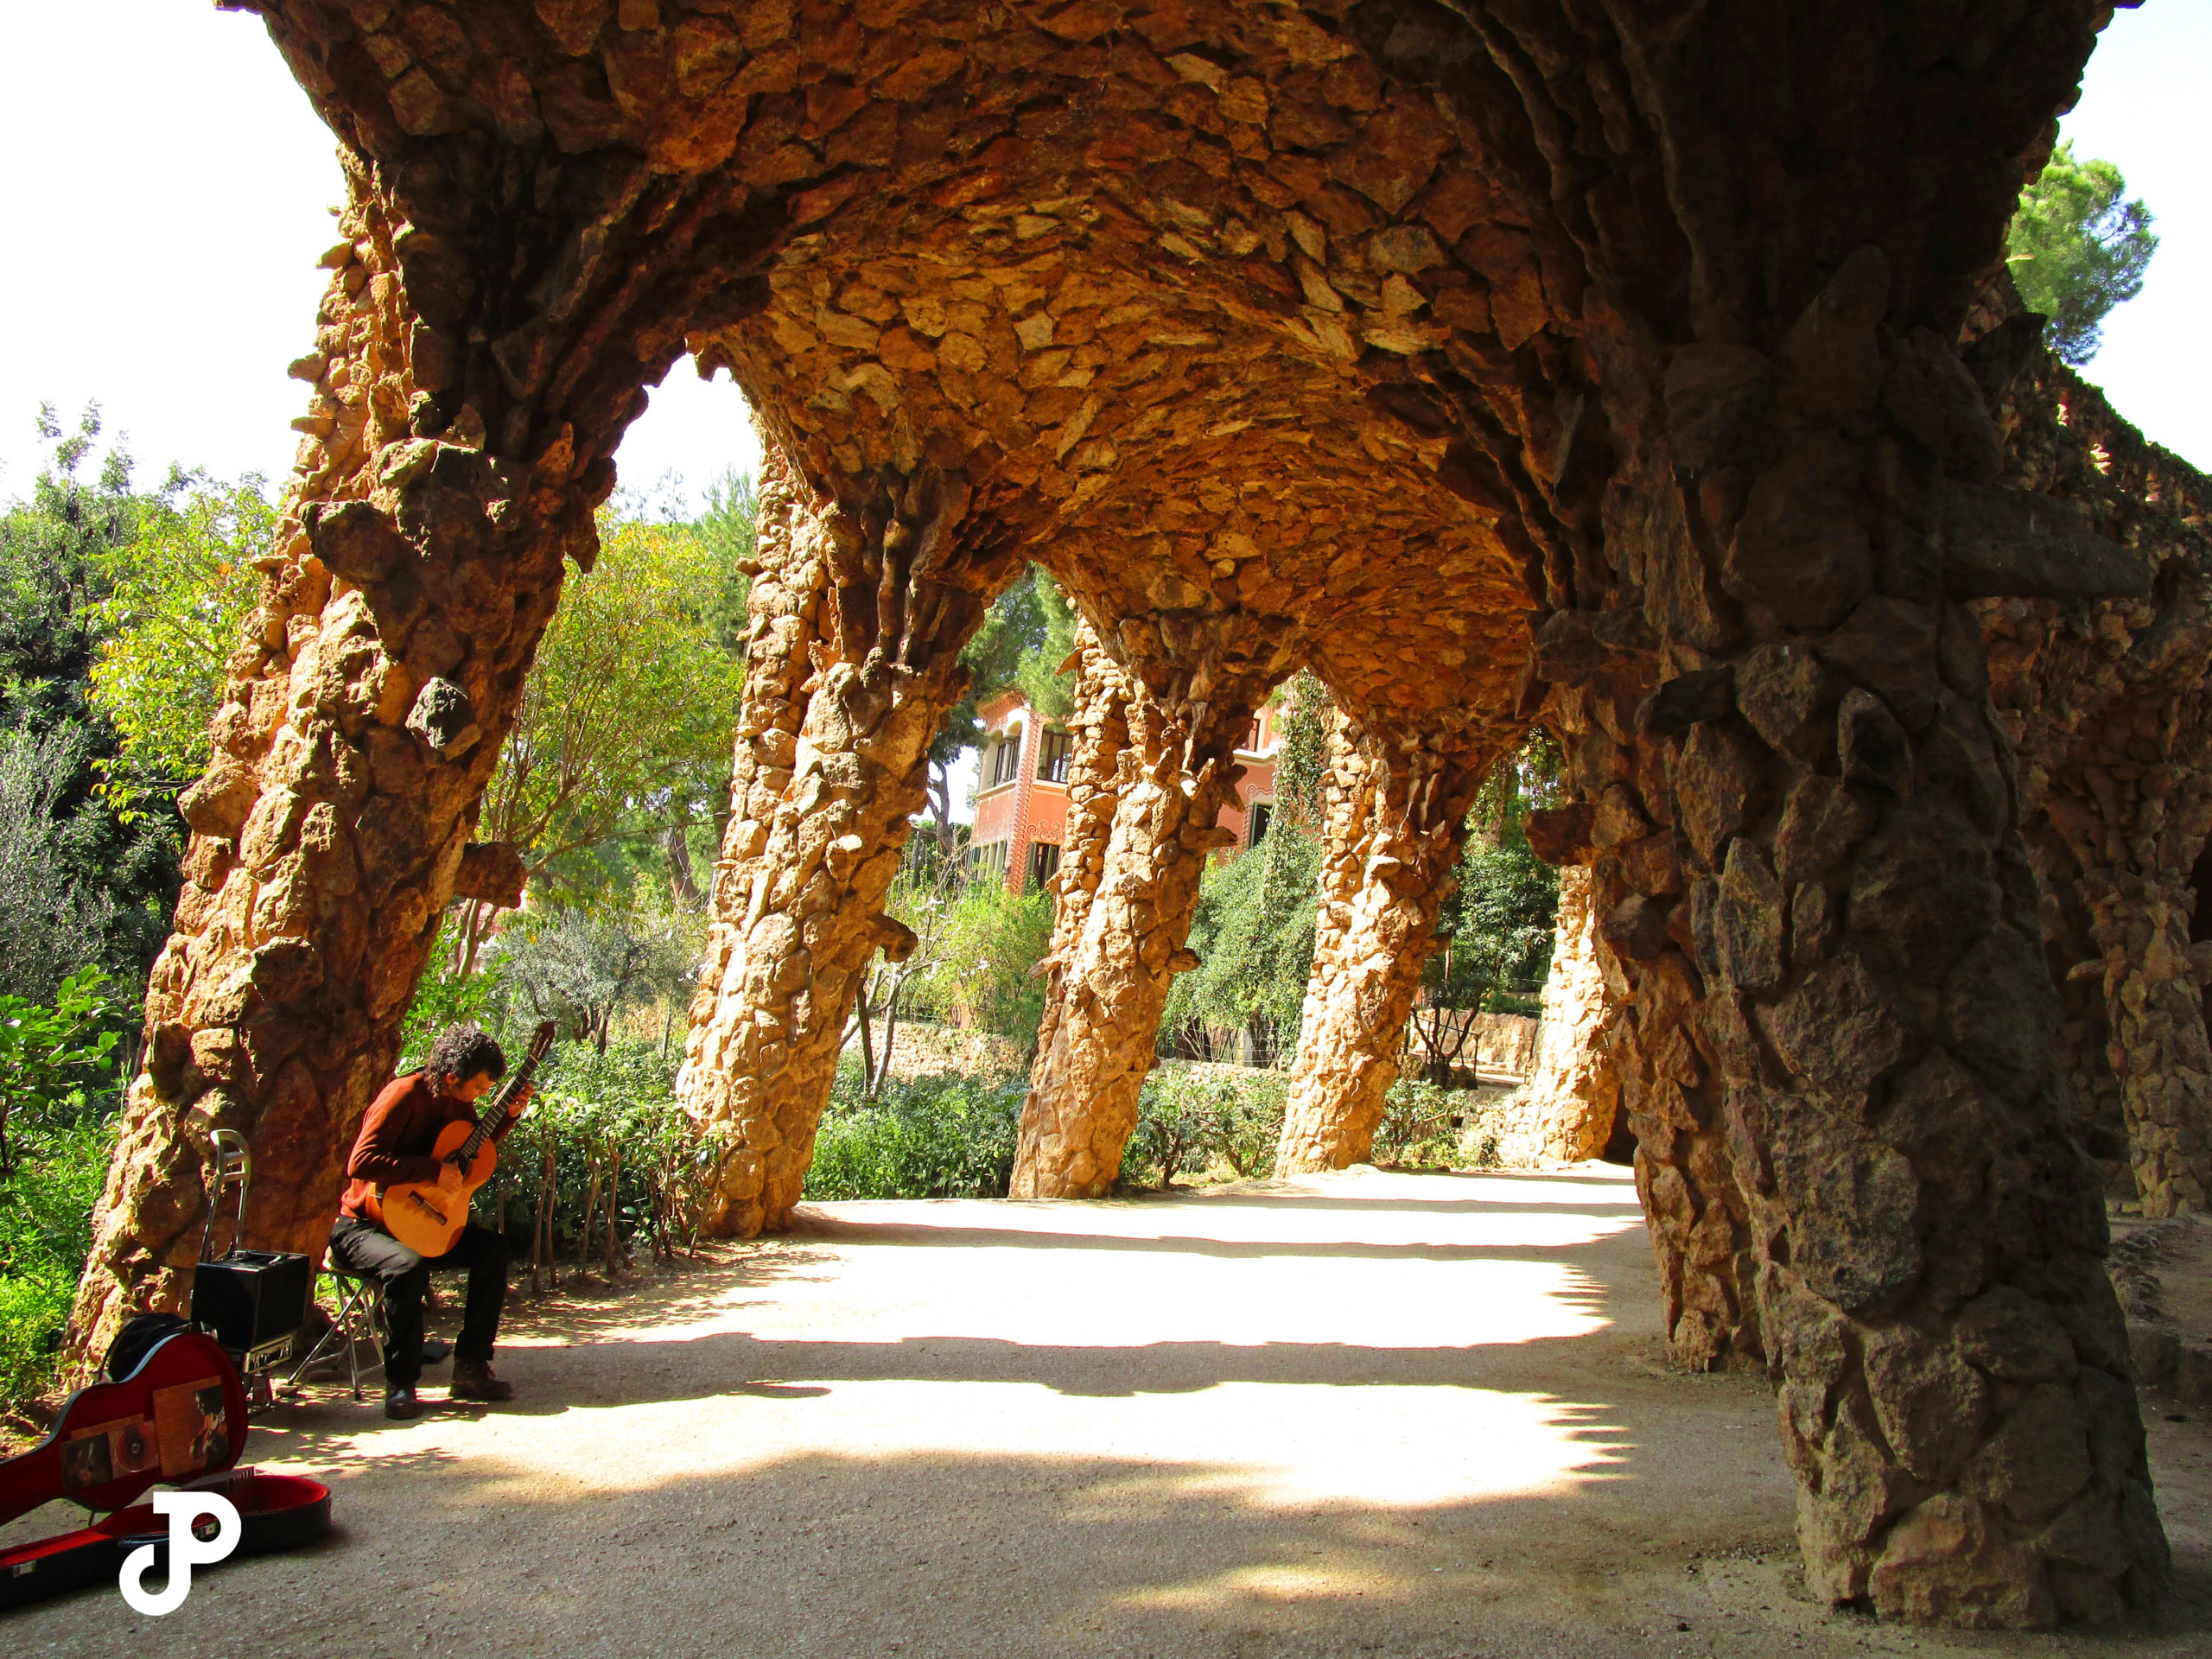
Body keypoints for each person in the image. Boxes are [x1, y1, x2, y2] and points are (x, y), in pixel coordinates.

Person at [328, 1023, 531, 1421]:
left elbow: (469, 1152)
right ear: (453, 1076)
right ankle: (401, 1384)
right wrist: (430, 1171)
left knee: (493, 1250)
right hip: (362, 1227)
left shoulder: (459, 1104)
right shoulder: (403, 1095)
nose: (482, 1095)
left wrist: (506, 1118)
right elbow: (361, 1162)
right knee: (407, 1267)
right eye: (478, 1087)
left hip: (420, 1223)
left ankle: (471, 1367)